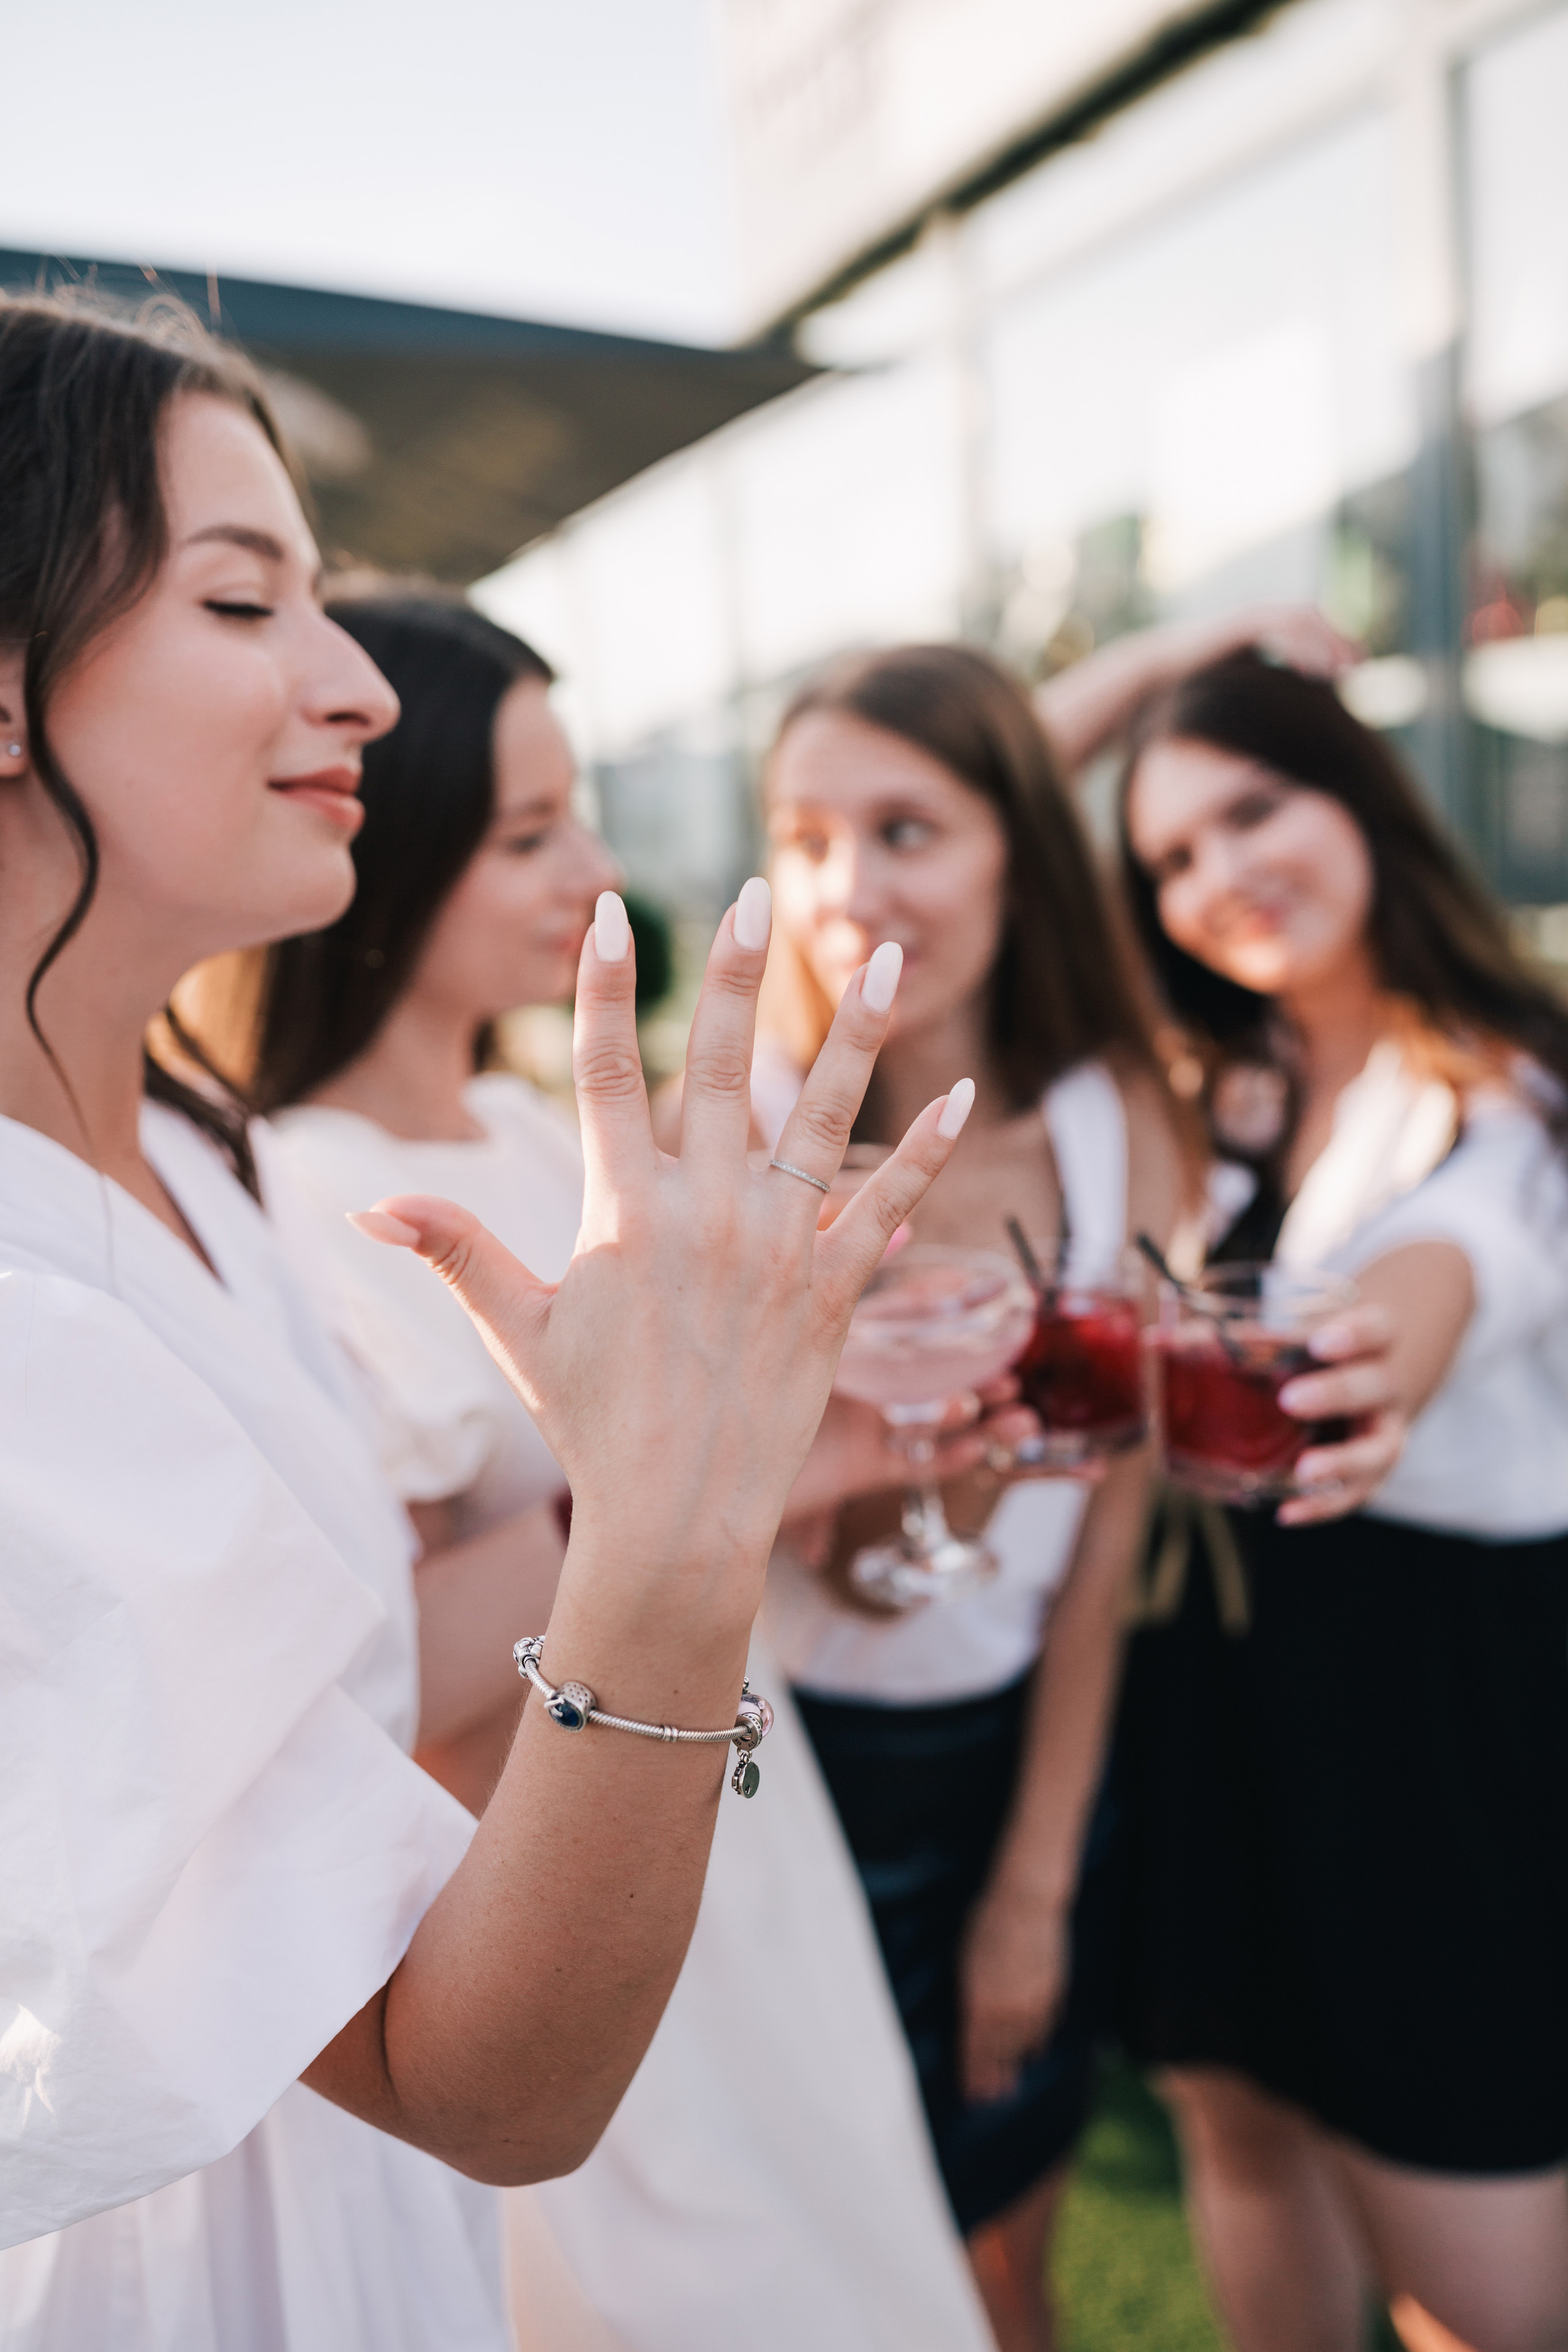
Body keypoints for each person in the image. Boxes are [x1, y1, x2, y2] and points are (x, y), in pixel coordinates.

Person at [0, 292, 976, 2351]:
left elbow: (343, 1673)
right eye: (244, 601)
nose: (358, 683)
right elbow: (491, 2083)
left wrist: (753, 1453)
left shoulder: (191, 1161)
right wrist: (680, 1515)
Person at [237, 584, 1015, 2350]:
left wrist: (833, 1449)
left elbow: (716, 1507)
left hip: (745, 1831)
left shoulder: (543, 1131)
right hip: (559, 1882)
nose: (594, 867)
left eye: (581, 813)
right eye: (529, 832)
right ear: (392, 836)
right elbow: (382, 1677)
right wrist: (693, 1484)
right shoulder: (305, 1199)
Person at [739, 643, 1395, 2352]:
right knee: (808, 2272)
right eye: (805, 838)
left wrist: (1034, 1878)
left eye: (908, 831)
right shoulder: (742, 1131)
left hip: (1019, 1751)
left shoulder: (1116, 1122)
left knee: (999, 2255)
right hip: (777, 1774)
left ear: (1016, 856)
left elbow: (1106, 1533)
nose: (848, 887)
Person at [1114, 648, 1568, 2352]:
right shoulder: (1217, 1087)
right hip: (1226, 1677)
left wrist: (1382, 1358)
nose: (1219, 876)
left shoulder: (1513, 1087)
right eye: (1172, 857)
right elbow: (989, 841)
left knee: (1486, 2285)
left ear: (1357, 794)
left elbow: (1469, 1258)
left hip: (1443, 1706)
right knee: (1241, 2127)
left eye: (1254, 810)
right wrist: (1162, 669)